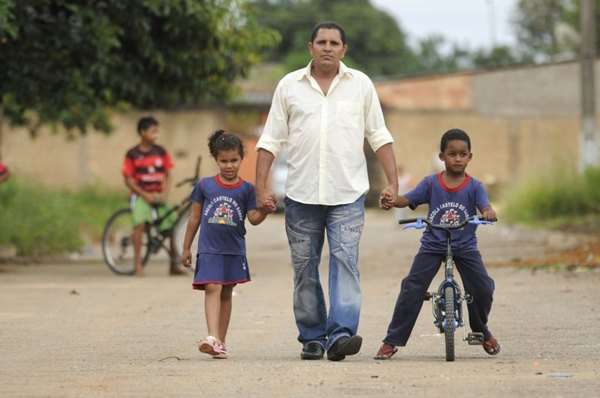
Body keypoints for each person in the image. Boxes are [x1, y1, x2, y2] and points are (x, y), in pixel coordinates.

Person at [255, 21, 399, 361]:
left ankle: (340, 335)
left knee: (345, 261)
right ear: (310, 47)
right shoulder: (289, 86)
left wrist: (393, 183)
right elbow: (270, 140)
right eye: (321, 42)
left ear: (344, 49)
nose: (328, 47)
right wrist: (261, 187)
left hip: (347, 195)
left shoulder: (360, 85)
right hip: (301, 196)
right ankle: (312, 336)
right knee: (304, 268)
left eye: (335, 42)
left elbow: (379, 135)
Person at [375, 128, 500, 360]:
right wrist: (394, 201)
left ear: (470, 157)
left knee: (483, 287)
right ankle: (392, 340)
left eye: (463, 154)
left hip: (465, 246)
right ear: (441, 156)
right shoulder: (431, 183)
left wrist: (488, 212)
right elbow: (409, 199)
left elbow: (485, 207)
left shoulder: (475, 186)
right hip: (433, 244)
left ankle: (481, 330)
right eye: (452, 154)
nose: (458, 158)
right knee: (412, 287)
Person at [181, 130, 268, 359]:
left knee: (226, 293)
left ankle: (220, 342)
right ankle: (211, 336)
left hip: (233, 250)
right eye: (223, 161)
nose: (229, 165)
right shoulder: (205, 186)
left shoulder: (247, 189)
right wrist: (185, 247)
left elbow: (253, 219)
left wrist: (266, 210)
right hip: (209, 248)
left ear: (241, 159)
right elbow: (194, 218)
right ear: (215, 159)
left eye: (233, 160)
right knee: (212, 286)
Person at [122, 116, 183, 276]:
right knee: (140, 225)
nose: (156, 134)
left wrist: (164, 193)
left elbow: (168, 174)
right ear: (142, 132)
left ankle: (174, 265)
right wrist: (144, 195)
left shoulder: (161, 152)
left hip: (158, 195)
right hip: (140, 196)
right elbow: (128, 180)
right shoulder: (132, 154)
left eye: (157, 131)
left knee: (172, 224)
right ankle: (137, 265)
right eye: (152, 131)